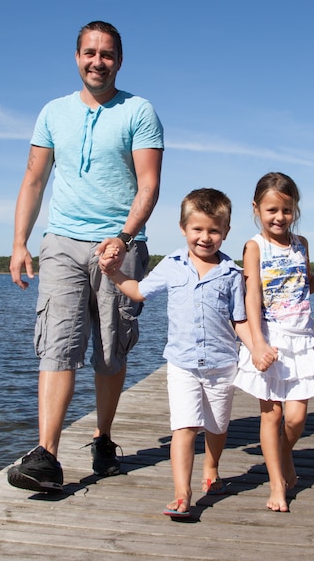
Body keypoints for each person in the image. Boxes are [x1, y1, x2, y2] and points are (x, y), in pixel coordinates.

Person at [7, 21, 164, 493]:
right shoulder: (53, 112)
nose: (98, 61)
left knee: (111, 351)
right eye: (90, 52)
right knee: (57, 345)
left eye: (108, 54)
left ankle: (103, 438)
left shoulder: (139, 111)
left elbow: (149, 185)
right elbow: (34, 180)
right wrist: (20, 242)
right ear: (77, 56)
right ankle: (47, 456)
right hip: (61, 244)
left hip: (121, 246)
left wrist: (123, 236)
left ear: (120, 59)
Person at [100, 188, 266, 518]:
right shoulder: (172, 265)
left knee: (217, 427)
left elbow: (240, 320)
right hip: (182, 364)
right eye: (197, 229)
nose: (205, 237)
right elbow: (139, 291)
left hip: (222, 364)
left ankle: (212, 469)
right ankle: (182, 492)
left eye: (214, 231)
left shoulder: (232, 274)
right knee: (184, 427)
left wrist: (257, 348)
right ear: (183, 228)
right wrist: (114, 274)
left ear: (226, 232)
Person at [234, 172, 314, 512]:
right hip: (270, 339)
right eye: (271, 210)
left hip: (301, 340)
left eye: (286, 210)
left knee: (296, 419)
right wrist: (257, 344)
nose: (279, 217)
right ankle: (276, 482)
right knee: (272, 415)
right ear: (257, 209)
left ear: (295, 209)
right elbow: (252, 297)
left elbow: (304, 285)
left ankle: (283, 453)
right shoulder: (255, 246)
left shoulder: (302, 244)